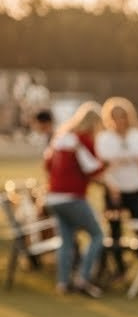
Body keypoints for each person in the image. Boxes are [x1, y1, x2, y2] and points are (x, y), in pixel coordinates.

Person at [44, 102, 105, 298]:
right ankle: (83, 278)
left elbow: (46, 164)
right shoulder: (83, 139)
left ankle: (63, 282)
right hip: (72, 197)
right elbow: (94, 168)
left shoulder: (60, 138)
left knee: (66, 241)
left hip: (53, 197)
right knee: (97, 235)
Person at [96, 97, 138, 278]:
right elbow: (101, 167)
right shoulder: (104, 138)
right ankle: (118, 268)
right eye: (115, 117)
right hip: (114, 191)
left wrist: (133, 161)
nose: (120, 121)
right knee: (115, 231)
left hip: (134, 188)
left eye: (123, 116)